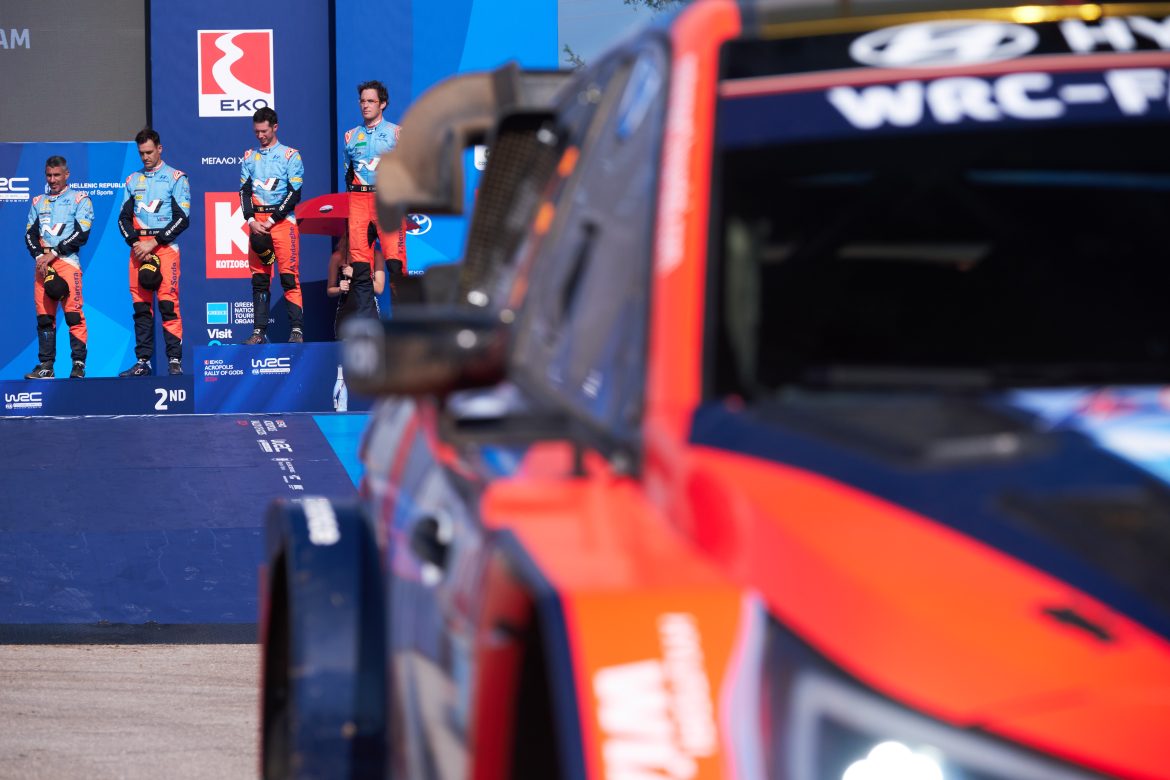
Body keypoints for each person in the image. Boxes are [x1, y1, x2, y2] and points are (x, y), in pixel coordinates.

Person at [116, 128, 191, 377]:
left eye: (149, 152)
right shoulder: (132, 180)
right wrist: (136, 244)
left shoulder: (176, 178)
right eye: (141, 153)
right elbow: (123, 219)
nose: (145, 157)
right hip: (138, 251)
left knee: (168, 305)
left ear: (160, 149)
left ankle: (174, 361)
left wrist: (153, 243)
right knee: (141, 308)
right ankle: (143, 362)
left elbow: (182, 219)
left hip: (165, 249)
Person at [22, 156, 93, 379]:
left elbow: (81, 234)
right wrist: (39, 256)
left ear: (66, 174)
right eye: (49, 175)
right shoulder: (38, 202)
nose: (52, 180)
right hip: (42, 265)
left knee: (73, 316)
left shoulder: (80, 200)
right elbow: (30, 234)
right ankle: (46, 366)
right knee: (44, 318)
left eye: (56, 175)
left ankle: (78, 364)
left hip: (67, 262)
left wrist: (52, 254)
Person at [239, 106, 305, 344]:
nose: (260, 136)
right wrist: (250, 220)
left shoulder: (290, 156)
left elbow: (294, 193)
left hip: (282, 224)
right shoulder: (249, 157)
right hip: (257, 226)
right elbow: (244, 192)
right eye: (256, 132)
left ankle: (296, 330)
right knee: (259, 279)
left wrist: (271, 220)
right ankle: (259, 332)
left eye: (264, 131)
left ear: (275, 127)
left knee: (288, 277)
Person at [342, 80, 408, 305]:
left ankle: (405, 323)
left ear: (383, 104)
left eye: (371, 101)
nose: (365, 105)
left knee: (395, 265)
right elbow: (348, 174)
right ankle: (365, 321)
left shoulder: (396, 133)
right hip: (358, 202)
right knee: (360, 268)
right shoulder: (350, 136)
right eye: (362, 101)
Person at [326, 230, 385, 339]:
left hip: (369, 310)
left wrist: (356, 274)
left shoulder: (376, 255)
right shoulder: (338, 257)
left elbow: (379, 288)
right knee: (343, 349)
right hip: (346, 311)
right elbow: (330, 290)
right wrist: (339, 289)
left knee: (372, 348)